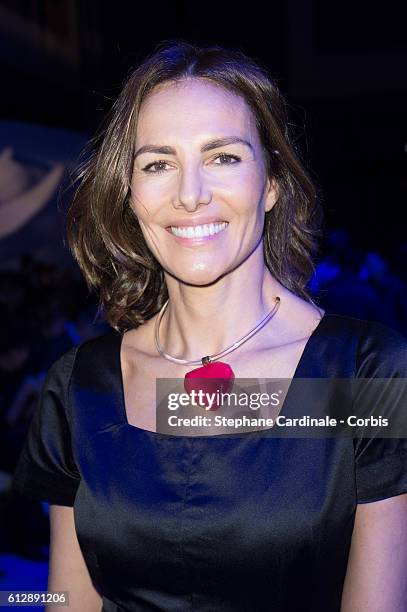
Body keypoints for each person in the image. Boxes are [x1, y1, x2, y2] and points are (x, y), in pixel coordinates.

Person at [11, 41, 407, 611]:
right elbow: (66, 601)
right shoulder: (82, 387)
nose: (190, 194)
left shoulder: (365, 376)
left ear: (270, 183)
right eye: (158, 164)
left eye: (223, 157)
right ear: (130, 195)